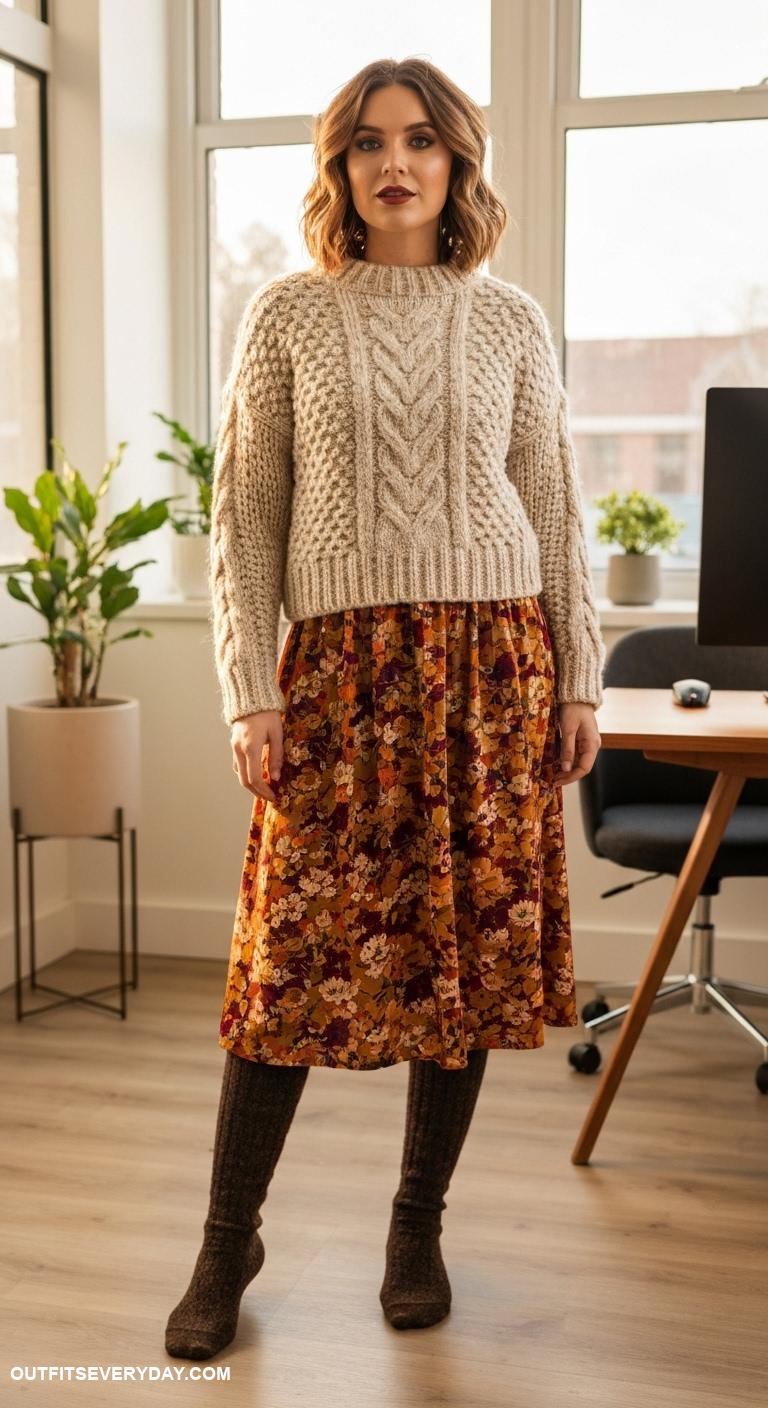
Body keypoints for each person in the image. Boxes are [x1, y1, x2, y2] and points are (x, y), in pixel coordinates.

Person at [165, 56, 604, 1360]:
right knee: (286, 977)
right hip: (342, 682)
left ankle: (418, 1226)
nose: (396, 164)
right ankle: (224, 1240)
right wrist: (250, 694)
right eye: (368, 144)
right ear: (340, 167)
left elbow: (555, 507)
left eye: (421, 141)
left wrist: (578, 672)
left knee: (456, 976)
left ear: (459, 164)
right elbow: (240, 521)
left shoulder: (510, 322)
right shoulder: (289, 316)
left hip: (491, 672)